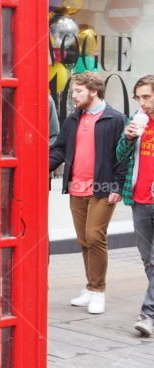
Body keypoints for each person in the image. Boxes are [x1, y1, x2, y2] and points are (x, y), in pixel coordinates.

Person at [48, 71, 127, 315]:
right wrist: (37, 169)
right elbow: (59, 150)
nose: (74, 96)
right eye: (74, 91)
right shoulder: (73, 119)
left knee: (95, 236)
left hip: (102, 188)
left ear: (94, 91)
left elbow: (124, 154)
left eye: (78, 91)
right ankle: (90, 288)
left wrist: (118, 185)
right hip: (76, 187)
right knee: (83, 239)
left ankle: (98, 291)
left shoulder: (115, 119)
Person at [115, 75, 154, 337]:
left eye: (147, 97)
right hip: (139, 200)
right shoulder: (137, 119)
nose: (142, 103)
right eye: (138, 97)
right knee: (147, 260)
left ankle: (148, 314)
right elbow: (119, 156)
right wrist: (128, 139)